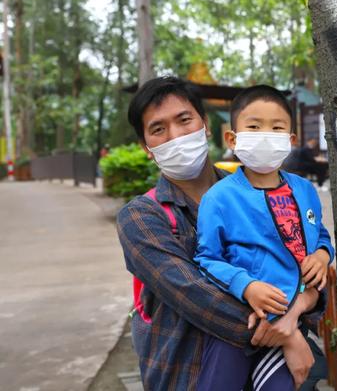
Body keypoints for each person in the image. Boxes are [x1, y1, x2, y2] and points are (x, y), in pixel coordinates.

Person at [117, 77, 323, 390]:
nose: (175, 136)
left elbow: (298, 262)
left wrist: (305, 301)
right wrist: (286, 331)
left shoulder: (259, 191)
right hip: (189, 374)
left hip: (273, 370)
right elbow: (195, 295)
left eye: (184, 120)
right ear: (147, 148)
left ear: (206, 127)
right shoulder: (141, 217)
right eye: (158, 129)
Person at [194, 85, 335, 391]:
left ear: (290, 140)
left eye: (277, 127)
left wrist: (323, 255)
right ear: (232, 138)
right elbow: (206, 259)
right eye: (254, 126)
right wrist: (247, 285)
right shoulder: (219, 198)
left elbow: (319, 234)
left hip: (292, 319)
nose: (265, 134)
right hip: (239, 327)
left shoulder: (305, 191)